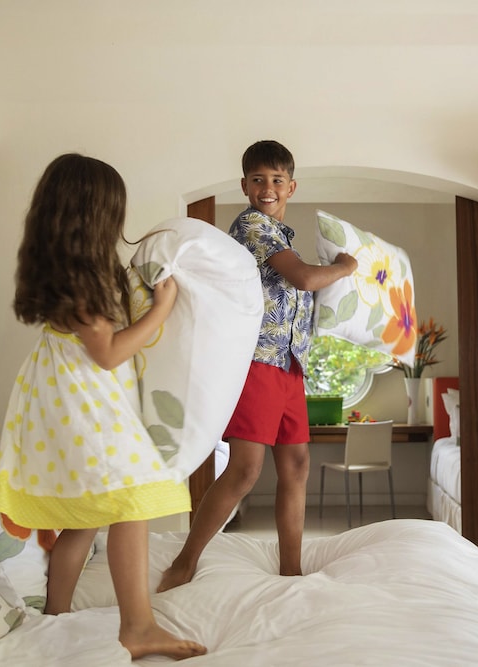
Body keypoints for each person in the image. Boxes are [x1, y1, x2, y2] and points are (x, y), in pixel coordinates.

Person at [0, 153, 206, 661]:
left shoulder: (65, 270)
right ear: (95, 215)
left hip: (69, 395)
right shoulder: (82, 278)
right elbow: (108, 353)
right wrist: (161, 310)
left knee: (88, 515)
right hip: (84, 401)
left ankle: (55, 616)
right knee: (130, 499)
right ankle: (138, 626)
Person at [157, 140, 356, 592]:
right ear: (245, 186)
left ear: (291, 187)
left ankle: (291, 570)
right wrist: (345, 267)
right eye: (259, 180)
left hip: (289, 364)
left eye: (277, 180)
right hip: (258, 362)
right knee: (245, 469)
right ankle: (184, 562)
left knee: (297, 465)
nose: (268, 188)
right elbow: (304, 277)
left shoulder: (283, 236)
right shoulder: (251, 226)